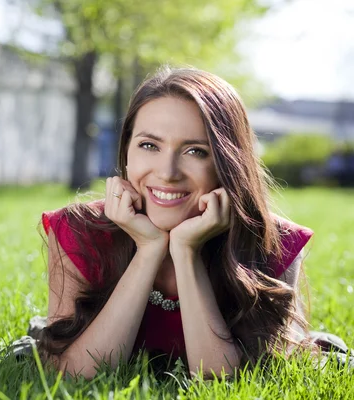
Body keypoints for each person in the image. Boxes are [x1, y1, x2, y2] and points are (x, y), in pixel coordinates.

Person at [23, 67, 347, 379]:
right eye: (149, 145)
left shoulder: (274, 242)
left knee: (302, 351)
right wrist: (149, 249)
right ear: (126, 153)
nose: (168, 172)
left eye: (196, 151)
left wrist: (186, 252)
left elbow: (223, 382)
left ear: (228, 163)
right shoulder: (78, 231)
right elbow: (77, 375)